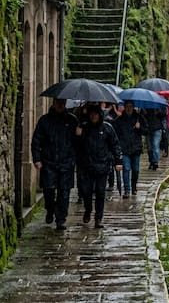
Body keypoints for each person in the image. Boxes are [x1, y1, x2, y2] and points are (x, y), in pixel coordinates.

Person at [31, 98, 79, 230]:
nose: (60, 105)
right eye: (58, 102)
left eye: (62, 103)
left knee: (64, 192)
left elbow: (78, 143)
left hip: (66, 162)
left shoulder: (72, 120)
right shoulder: (44, 121)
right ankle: (50, 209)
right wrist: (37, 159)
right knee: (49, 190)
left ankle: (61, 219)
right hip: (49, 162)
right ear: (53, 103)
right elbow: (36, 140)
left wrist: (79, 135)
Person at [75, 105, 123, 229]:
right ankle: (88, 209)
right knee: (87, 192)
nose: (93, 116)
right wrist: (78, 135)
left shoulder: (107, 128)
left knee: (101, 193)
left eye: (96, 114)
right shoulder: (83, 128)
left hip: (102, 165)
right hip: (87, 166)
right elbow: (76, 147)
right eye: (92, 114)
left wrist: (118, 161)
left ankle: (98, 217)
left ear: (100, 115)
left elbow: (115, 145)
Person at [112, 101, 148, 197]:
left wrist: (139, 128)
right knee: (126, 169)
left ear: (133, 107)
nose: (128, 109)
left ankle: (134, 186)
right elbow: (115, 134)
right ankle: (127, 189)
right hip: (124, 149)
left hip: (136, 148)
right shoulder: (119, 120)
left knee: (135, 169)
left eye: (130, 107)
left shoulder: (139, 118)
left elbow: (146, 131)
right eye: (127, 107)